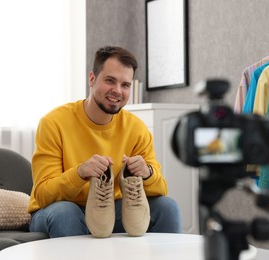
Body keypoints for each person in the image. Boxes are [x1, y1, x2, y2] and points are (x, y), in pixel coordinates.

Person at [28, 46, 182, 237]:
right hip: (57, 211)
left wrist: (147, 173)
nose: (117, 91)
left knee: (168, 207)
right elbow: (42, 194)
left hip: (109, 212)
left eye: (125, 85)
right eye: (110, 81)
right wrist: (80, 173)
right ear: (92, 79)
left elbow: (162, 188)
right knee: (66, 213)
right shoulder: (53, 123)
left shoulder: (136, 128)